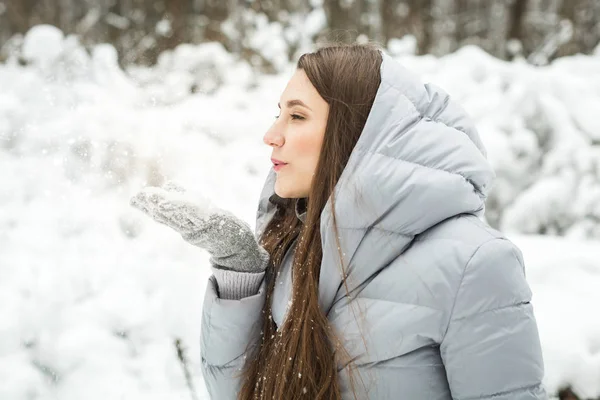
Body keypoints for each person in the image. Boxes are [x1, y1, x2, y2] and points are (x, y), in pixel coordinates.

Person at [131, 43, 548, 400]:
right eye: (279, 114)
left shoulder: (475, 266)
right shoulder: (297, 249)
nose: (271, 135)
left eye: (296, 117)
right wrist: (238, 270)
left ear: (359, 132)